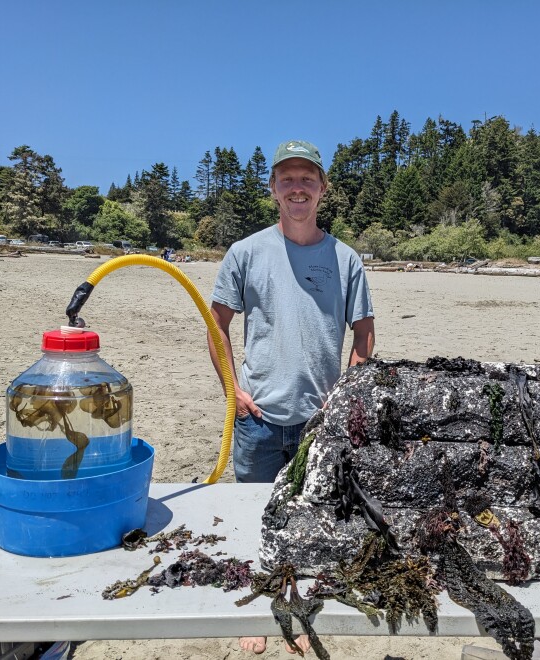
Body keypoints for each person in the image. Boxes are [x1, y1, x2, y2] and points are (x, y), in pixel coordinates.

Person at [207, 139, 375, 655]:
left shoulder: (345, 260)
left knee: (308, 522)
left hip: (316, 424)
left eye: (307, 178)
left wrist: (340, 399)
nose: (297, 187)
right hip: (256, 420)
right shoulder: (245, 252)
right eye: (287, 178)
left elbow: (365, 340)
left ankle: (297, 608)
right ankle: (256, 608)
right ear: (273, 188)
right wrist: (234, 391)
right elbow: (217, 327)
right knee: (251, 517)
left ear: (323, 189)